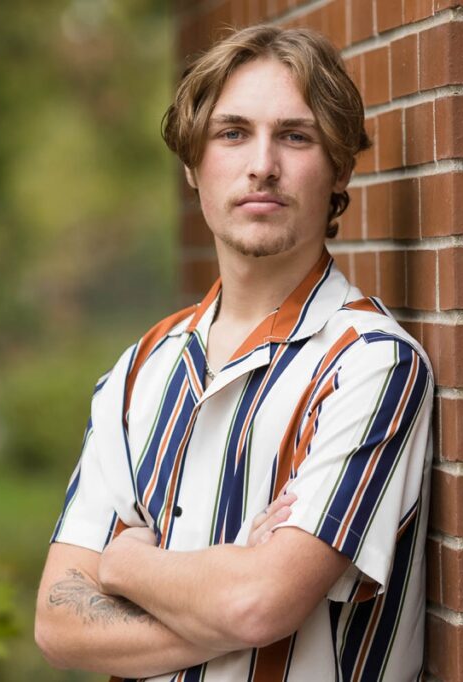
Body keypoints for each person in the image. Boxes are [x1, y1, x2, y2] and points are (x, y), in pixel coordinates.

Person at [34, 24, 434, 682]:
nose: (263, 165)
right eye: (233, 133)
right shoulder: (140, 372)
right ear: (193, 164)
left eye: (295, 136)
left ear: (338, 168)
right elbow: (58, 618)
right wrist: (226, 588)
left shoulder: (371, 365)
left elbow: (257, 604)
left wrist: (126, 566)